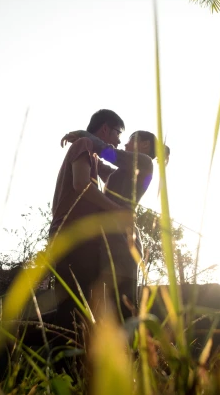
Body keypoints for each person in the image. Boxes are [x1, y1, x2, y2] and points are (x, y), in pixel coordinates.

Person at [47, 109, 149, 330]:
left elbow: (110, 165)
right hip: (72, 235)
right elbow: (83, 185)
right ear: (105, 129)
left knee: (82, 310)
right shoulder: (85, 145)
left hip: (87, 241)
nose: (120, 141)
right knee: (73, 310)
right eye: (118, 133)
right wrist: (117, 211)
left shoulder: (98, 155)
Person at [60, 129, 170, 317]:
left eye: (131, 139)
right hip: (112, 240)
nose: (125, 144)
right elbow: (103, 168)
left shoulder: (144, 162)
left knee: (122, 304)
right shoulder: (125, 172)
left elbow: (108, 152)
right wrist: (87, 153)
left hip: (122, 241)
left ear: (144, 145)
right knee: (108, 306)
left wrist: (84, 135)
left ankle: (131, 344)